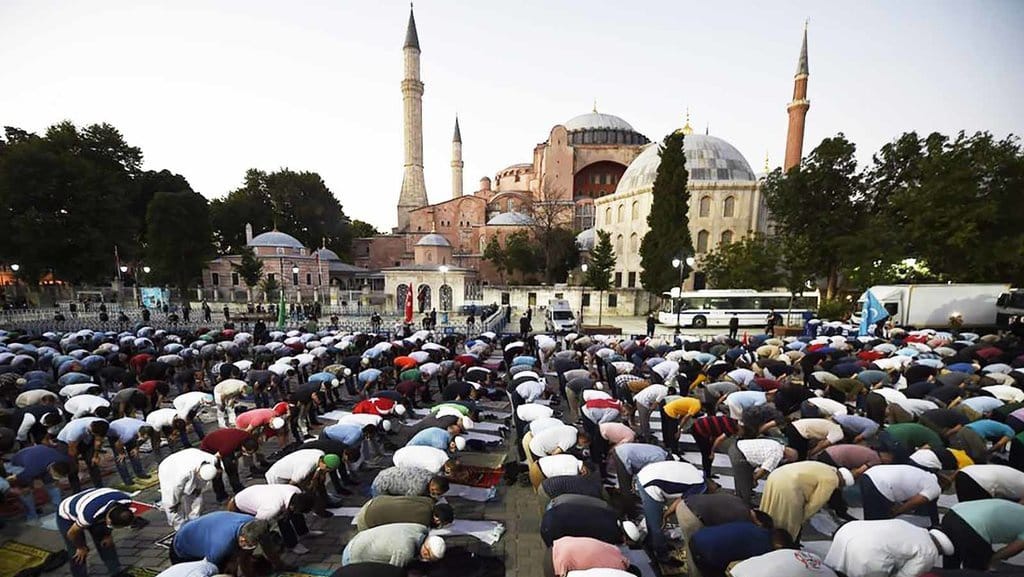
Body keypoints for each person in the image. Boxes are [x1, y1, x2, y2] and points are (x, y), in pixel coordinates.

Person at [759, 461, 854, 542]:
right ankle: (781, 543)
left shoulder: (827, 468)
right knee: (789, 519)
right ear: (842, 482)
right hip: (789, 485)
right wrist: (802, 518)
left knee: (771, 506)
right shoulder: (832, 480)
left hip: (775, 476)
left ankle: (762, 533)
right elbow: (816, 502)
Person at [825, 519, 954, 577]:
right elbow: (906, 575)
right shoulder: (930, 552)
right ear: (941, 551)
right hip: (868, 550)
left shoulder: (915, 528)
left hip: (848, 531)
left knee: (834, 572)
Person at [635, 460, 706, 562]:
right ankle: (662, 556)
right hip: (649, 485)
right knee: (656, 525)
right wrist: (666, 515)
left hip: (646, 473)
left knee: (653, 519)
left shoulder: (695, 471)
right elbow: (680, 502)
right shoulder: (699, 486)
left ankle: (653, 542)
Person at [57, 488, 135, 577]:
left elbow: (116, 519)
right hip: (67, 514)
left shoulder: (126, 500)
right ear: (108, 521)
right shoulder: (88, 515)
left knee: (106, 544)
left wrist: (107, 535)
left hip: (96, 503)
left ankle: (116, 572)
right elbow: (72, 533)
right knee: (77, 554)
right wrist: (81, 547)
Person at [170, 511, 278, 572]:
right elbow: (213, 571)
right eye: (248, 545)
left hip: (206, 536)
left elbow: (245, 556)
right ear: (242, 538)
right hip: (182, 549)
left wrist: (280, 564)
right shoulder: (221, 546)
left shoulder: (256, 526)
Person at [227, 484, 315, 553]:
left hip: (255, 494)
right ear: (292, 507)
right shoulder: (272, 508)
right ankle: (291, 545)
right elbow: (257, 524)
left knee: (289, 516)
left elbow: (293, 510)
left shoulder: (296, 491)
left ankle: (303, 533)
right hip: (239, 505)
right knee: (261, 530)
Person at [940, 499, 1024, 570]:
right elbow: (1012, 549)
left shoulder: (1020, 509)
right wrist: (991, 558)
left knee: (951, 560)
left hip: (953, 513)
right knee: (975, 570)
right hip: (973, 527)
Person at [688, 522, 794, 577]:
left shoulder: (754, 528)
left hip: (699, 536)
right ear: (779, 546)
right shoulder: (763, 548)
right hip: (704, 551)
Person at [158, 447, 220, 529]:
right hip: (169, 468)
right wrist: (174, 504)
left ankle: (194, 520)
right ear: (198, 473)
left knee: (196, 496)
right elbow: (170, 500)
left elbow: (217, 466)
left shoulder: (211, 460)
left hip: (189, 459)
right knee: (172, 506)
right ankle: (180, 527)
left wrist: (197, 488)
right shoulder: (177, 479)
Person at [200, 427, 266, 502]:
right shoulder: (228, 447)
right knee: (216, 473)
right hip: (209, 448)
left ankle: (237, 488)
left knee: (232, 468)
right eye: (246, 452)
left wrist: (234, 460)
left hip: (225, 441)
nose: (247, 455)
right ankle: (221, 495)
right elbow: (215, 458)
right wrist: (216, 467)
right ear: (243, 447)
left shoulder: (249, 437)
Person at [7, 444, 70, 520]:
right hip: (19, 462)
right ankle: (32, 516)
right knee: (25, 491)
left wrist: (55, 480)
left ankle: (59, 511)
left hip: (39, 455)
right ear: (51, 469)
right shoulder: (33, 469)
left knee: (53, 485)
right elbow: (18, 478)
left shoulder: (64, 459)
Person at [341, 522, 447, 567]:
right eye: (430, 558)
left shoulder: (420, 528)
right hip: (353, 556)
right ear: (425, 552)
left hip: (360, 538)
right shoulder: (406, 551)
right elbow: (392, 572)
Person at [354, 496, 454, 531]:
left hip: (374, 502)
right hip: (368, 519)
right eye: (442, 523)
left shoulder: (428, 501)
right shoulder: (423, 521)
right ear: (437, 519)